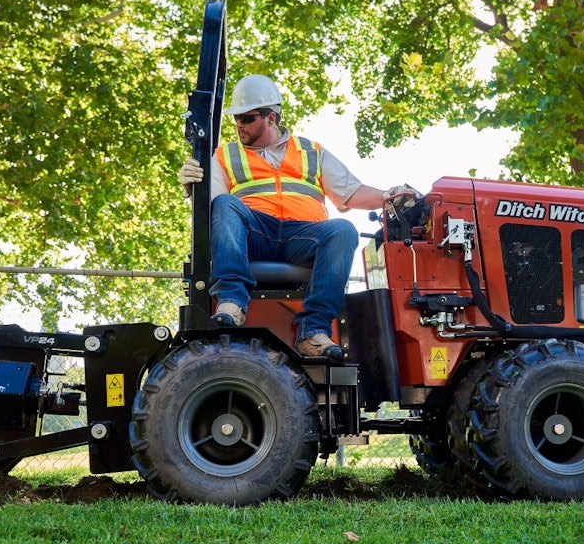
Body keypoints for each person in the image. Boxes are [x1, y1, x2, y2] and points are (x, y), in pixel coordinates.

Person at [180, 74, 420, 359]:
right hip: (255, 235)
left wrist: (387, 196)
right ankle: (232, 302)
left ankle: (313, 331)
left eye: (246, 118)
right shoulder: (224, 155)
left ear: (270, 118)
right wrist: (193, 189)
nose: (239, 125)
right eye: (236, 118)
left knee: (343, 230)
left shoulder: (310, 151)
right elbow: (215, 207)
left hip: (303, 238)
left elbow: (351, 192)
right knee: (226, 204)